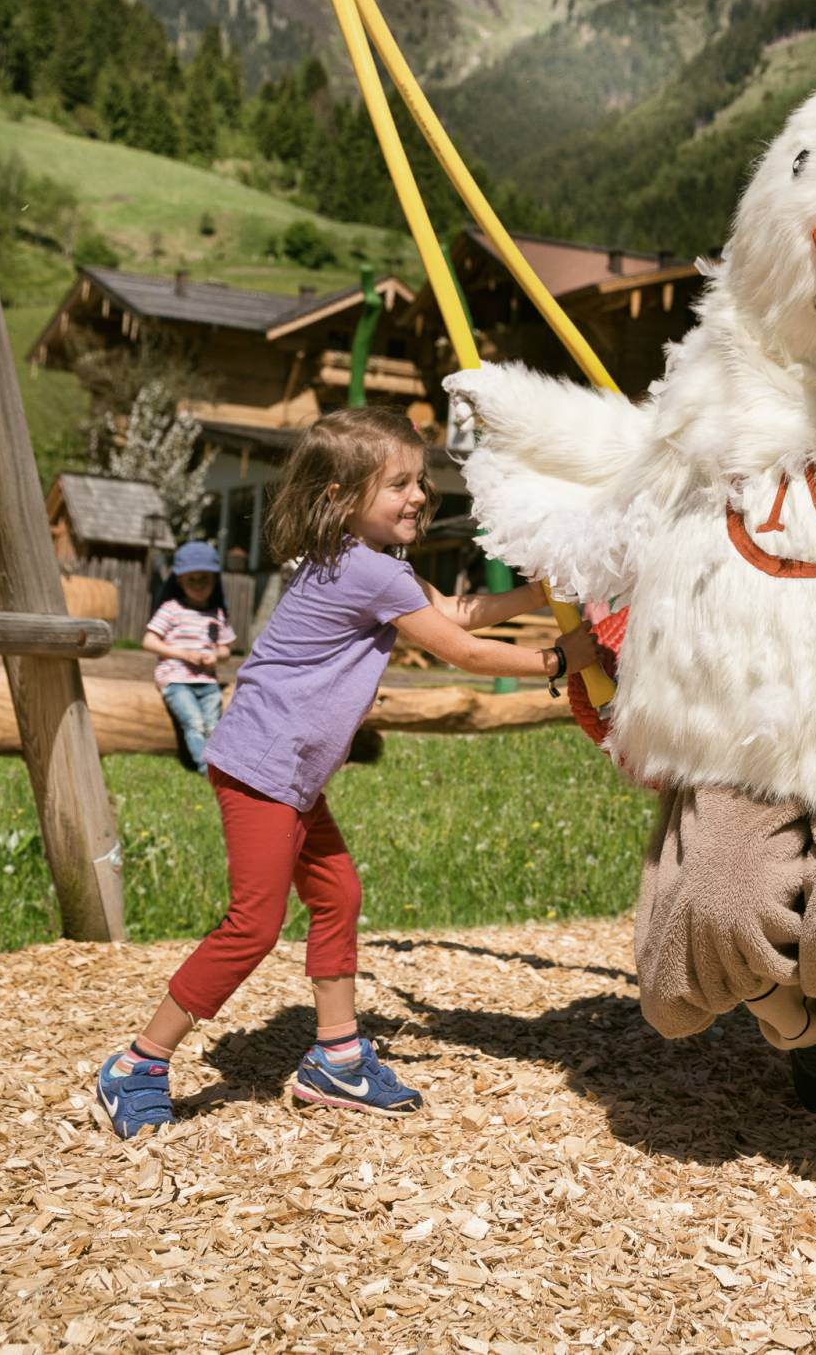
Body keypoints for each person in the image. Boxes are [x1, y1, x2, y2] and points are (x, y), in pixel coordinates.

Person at [95, 404, 597, 1140]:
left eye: (420, 480)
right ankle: (138, 1061)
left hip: (284, 770)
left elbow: (456, 614)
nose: (419, 495)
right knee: (252, 925)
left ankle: (335, 1054)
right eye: (399, 483)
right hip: (265, 769)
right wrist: (559, 660)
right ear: (340, 496)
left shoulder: (363, 563)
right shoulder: (365, 572)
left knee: (337, 896)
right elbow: (461, 651)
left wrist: (544, 592)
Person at [142, 540, 234, 773]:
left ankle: (218, 766)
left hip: (207, 682)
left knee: (213, 725)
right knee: (193, 722)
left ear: (214, 580)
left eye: (205, 579)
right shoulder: (171, 609)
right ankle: (206, 770)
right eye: (192, 579)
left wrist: (216, 656)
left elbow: (226, 648)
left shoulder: (217, 614)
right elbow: (149, 641)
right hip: (176, 680)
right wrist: (183, 654)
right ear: (180, 580)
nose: (199, 585)